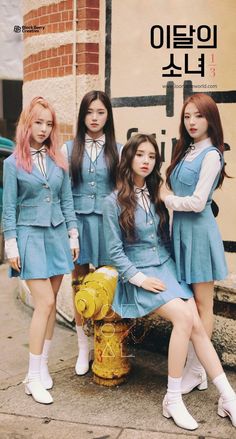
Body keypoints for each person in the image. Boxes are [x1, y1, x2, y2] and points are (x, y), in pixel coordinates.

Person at [102, 133, 236, 431]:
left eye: (151, 156)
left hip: (166, 269)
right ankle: (173, 398)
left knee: (198, 324)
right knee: (184, 319)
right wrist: (139, 278)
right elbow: (114, 252)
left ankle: (228, 397)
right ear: (129, 158)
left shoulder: (157, 194)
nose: (146, 161)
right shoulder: (112, 201)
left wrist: (173, 272)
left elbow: (164, 240)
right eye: (140, 155)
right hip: (140, 275)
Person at [2, 97, 79, 405]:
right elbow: (8, 208)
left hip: (57, 235)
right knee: (45, 302)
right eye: (39, 122)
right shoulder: (12, 163)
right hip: (30, 235)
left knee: (47, 306)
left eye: (49, 124)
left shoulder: (58, 159)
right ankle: (32, 377)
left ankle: (43, 364)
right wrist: (11, 243)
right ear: (27, 123)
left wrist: (73, 235)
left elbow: (66, 200)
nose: (44, 129)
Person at [163, 93, 228, 394]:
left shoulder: (212, 155)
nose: (191, 122)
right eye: (187, 116)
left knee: (203, 304)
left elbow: (199, 202)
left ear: (210, 119)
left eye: (198, 116)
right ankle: (195, 367)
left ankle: (198, 369)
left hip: (199, 235)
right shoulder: (185, 149)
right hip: (180, 234)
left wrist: (168, 200)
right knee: (188, 304)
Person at [61, 90, 122, 375]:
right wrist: (69, 230)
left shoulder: (118, 149)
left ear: (108, 116)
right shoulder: (68, 148)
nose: (94, 118)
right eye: (89, 112)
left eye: (100, 112)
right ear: (82, 115)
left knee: (108, 282)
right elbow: (64, 194)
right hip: (79, 224)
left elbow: (123, 194)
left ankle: (106, 343)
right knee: (80, 284)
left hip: (108, 225)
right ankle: (82, 346)